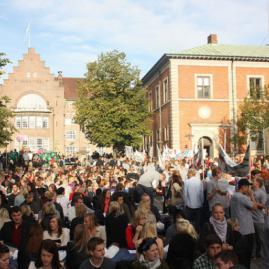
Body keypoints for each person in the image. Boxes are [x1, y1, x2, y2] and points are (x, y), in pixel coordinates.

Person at [230, 178, 262, 269]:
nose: (249, 189)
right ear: (243, 187)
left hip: (238, 229)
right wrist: (251, 195)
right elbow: (255, 206)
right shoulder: (242, 197)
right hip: (246, 230)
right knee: (246, 257)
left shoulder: (234, 196)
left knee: (240, 257)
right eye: (248, 187)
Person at [184, 168, 204, 233]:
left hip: (189, 205)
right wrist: (202, 202)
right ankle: (197, 234)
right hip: (198, 205)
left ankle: (189, 233)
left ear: (190, 174)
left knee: (189, 222)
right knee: (198, 223)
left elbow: (185, 194)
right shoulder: (199, 181)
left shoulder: (187, 182)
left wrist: (185, 203)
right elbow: (201, 194)